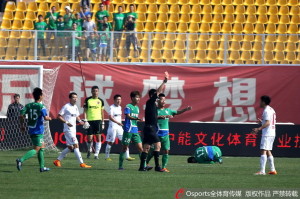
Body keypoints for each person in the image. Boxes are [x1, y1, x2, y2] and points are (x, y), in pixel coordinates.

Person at [146, 93, 192, 172]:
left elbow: (177, 112)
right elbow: (151, 117)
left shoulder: (168, 110)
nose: (163, 101)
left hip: (166, 134)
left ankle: (164, 167)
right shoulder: (155, 110)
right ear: (157, 101)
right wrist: (161, 117)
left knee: (166, 150)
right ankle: (145, 163)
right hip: (156, 134)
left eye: (164, 100)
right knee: (154, 151)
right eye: (162, 99)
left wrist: (185, 109)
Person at [16, 87, 52, 172]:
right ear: (40, 96)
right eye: (42, 94)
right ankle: (20, 160)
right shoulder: (41, 106)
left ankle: (42, 167)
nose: (43, 96)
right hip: (38, 131)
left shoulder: (28, 105)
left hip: (31, 130)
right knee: (36, 148)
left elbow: (21, 115)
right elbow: (46, 118)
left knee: (42, 147)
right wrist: (50, 118)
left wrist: (22, 125)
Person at [139, 72, 169, 172]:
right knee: (158, 146)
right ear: (153, 96)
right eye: (157, 95)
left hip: (148, 128)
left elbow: (154, 117)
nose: (158, 97)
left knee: (146, 148)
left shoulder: (152, 106)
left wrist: (162, 116)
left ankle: (141, 167)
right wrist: (164, 82)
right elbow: (158, 91)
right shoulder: (151, 101)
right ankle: (157, 167)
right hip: (151, 128)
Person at [53, 92, 92, 168]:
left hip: (73, 129)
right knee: (76, 145)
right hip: (68, 129)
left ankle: (57, 161)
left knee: (70, 147)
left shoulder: (75, 107)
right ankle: (82, 163)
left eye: (76, 97)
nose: (75, 99)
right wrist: (66, 122)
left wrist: (82, 122)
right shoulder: (66, 106)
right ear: (70, 98)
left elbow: (77, 117)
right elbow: (59, 116)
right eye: (73, 97)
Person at [251, 95, 277, 175]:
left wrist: (258, 128)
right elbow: (268, 121)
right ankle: (273, 170)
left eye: (260, 101)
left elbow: (268, 123)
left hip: (267, 133)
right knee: (268, 150)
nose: (259, 103)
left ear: (263, 102)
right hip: (272, 133)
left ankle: (262, 171)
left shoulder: (266, 110)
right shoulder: (271, 109)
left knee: (263, 150)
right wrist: (262, 122)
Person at [118, 91, 143, 170]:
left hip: (135, 130)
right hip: (128, 129)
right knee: (124, 148)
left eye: (139, 97)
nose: (138, 99)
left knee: (140, 148)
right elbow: (128, 116)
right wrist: (136, 118)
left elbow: (135, 120)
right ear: (132, 98)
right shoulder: (128, 106)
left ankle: (143, 165)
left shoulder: (137, 108)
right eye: (136, 97)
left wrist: (136, 120)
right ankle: (120, 166)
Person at [105, 94, 133, 161]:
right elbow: (110, 117)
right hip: (113, 127)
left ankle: (127, 156)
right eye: (117, 99)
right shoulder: (111, 107)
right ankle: (107, 156)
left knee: (125, 141)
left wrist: (119, 123)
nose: (119, 101)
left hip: (119, 127)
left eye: (120, 99)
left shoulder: (120, 107)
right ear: (114, 100)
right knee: (110, 142)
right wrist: (117, 122)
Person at [84, 86, 105, 159]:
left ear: (98, 92)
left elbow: (102, 112)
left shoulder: (101, 101)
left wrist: (103, 122)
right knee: (89, 139)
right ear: (91, 92)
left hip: (98, 121)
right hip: (90, 121)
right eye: (94, 91)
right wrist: (85, 120)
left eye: (96, 91)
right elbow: (85, 111)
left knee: (98, 138)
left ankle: (96, 154)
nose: (95, 92)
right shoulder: (88, 100)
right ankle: (89, 150)